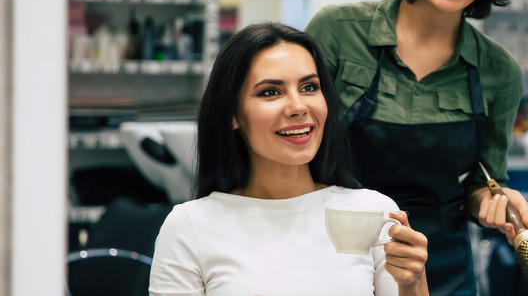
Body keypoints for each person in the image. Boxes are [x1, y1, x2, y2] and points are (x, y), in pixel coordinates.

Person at [305, 0, 528, 295]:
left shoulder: (499, 72)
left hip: (441, 267)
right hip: (334, 260)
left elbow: (482, 180)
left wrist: (494, 203)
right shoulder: (337, 31)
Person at [149, 22, 429, 296]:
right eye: (271, 92)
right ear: (232, 114)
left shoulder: (373, 212)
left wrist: (412, 283)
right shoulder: (189, 226)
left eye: (309, 87)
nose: (298, 107)